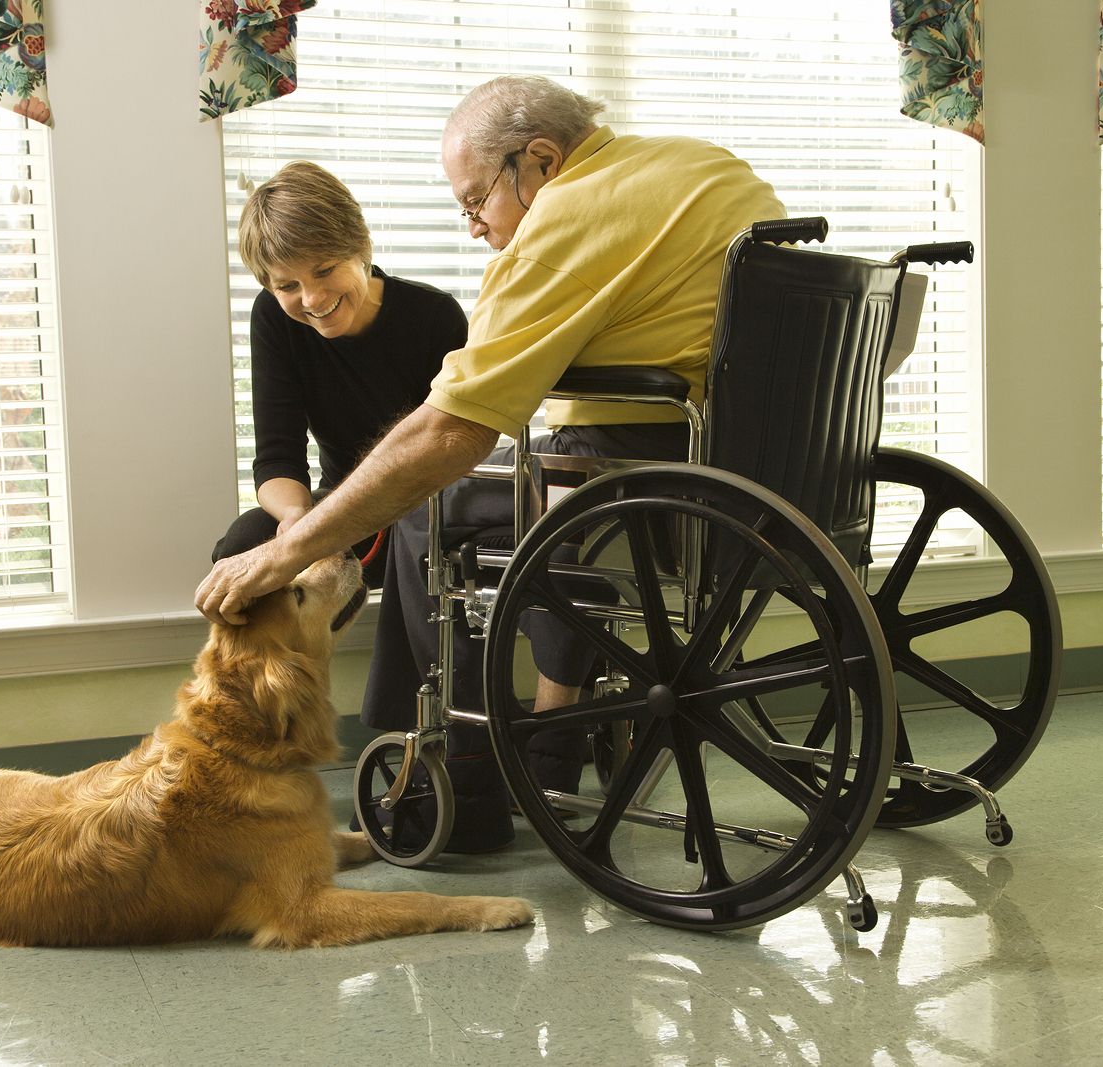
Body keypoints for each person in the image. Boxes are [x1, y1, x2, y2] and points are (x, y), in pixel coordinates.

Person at [197, 75, 786, 852]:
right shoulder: (705, 166)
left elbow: (445, 437)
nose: (475, 226)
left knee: (424, 514)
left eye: (477, 200)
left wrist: (292, 550)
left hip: (642, 477)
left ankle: (464, 777)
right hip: (755, 474)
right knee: (475, 499)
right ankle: (534, 743)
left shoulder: (564, 224)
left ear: (537, 162)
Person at [210, 161, 468, 588]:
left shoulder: (434, 317)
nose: (311, 298)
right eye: (287, 286)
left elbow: (447, 452)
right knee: (242, 545)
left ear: (362, 247)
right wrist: (297, 522)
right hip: (337, 512)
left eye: (325, 270)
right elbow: (277, 458)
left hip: (426, 511)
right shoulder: (274, 318)